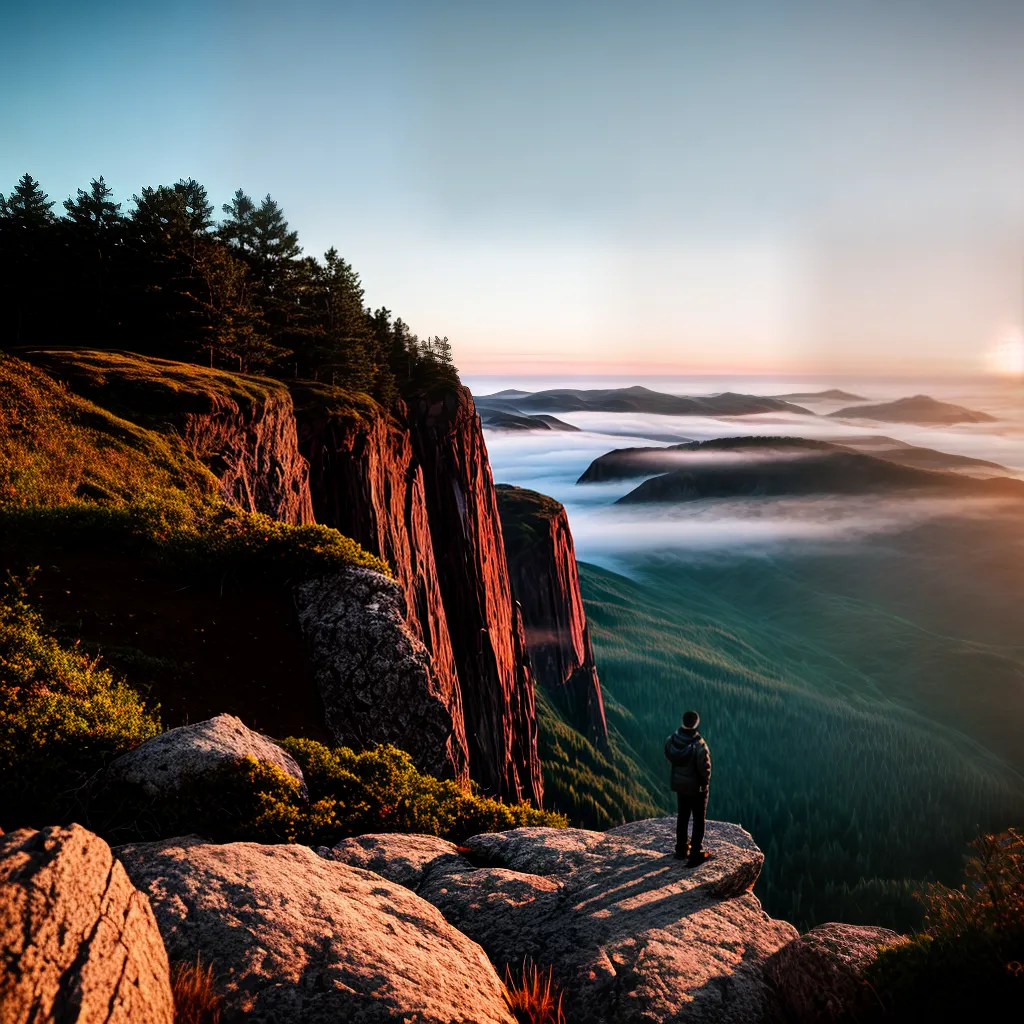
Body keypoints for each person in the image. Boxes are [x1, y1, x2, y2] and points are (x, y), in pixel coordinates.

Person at [664, 709, 712, 866]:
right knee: (698, 820)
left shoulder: (673, 740)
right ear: (696, 723)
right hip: (696, 789)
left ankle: (680, 850)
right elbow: (705, 769)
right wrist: (705, 782)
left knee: (683, 817)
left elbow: (668, 753)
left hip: (680, 786)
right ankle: (695, 853)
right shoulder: (698, 745)